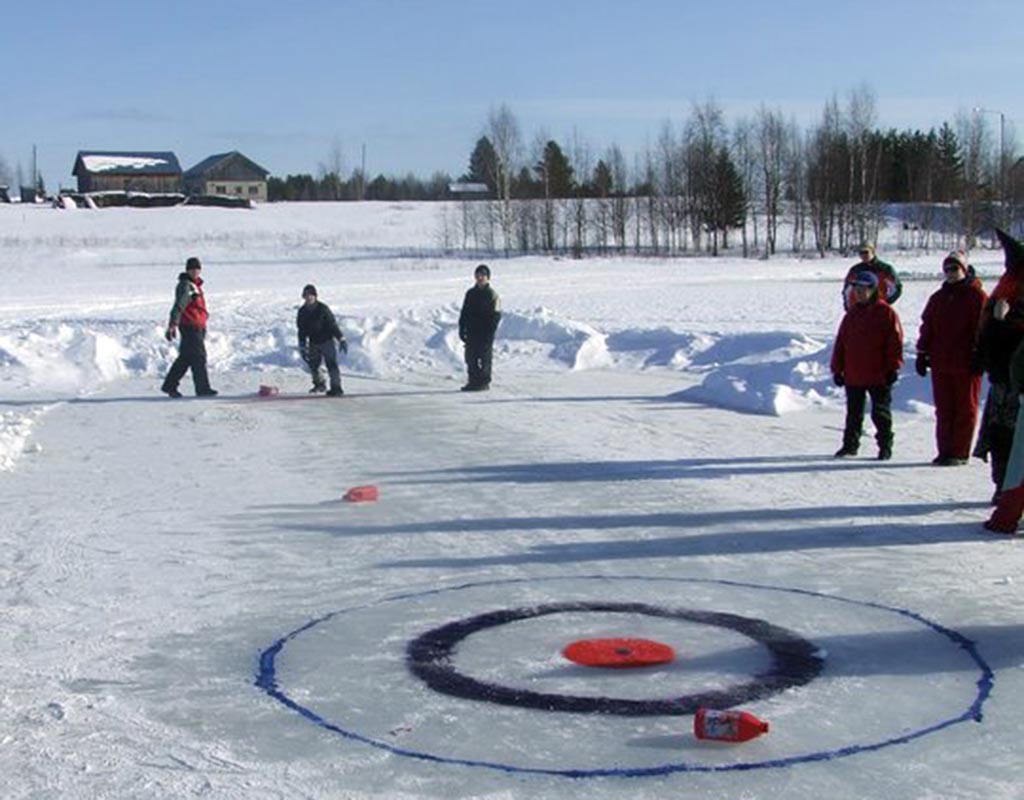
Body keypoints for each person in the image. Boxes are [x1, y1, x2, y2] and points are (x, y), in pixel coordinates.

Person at [915, 250, 987, 466]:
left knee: (966, 407)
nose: (950, 273)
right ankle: (944, 450)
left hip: (966, 362)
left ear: (964, 269)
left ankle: (959, 451)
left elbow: (983, 329)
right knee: (944, 408)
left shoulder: (977, 297)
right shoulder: (938, 298)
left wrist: (980, 355)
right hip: (941, 362)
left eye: (954, 268)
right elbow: (928, 326)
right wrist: (922, 352)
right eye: (946, 269)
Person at [830, 270, 904, 460]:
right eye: (857, 288)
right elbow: (841, 344)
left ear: (873, 290)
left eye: (864, 289)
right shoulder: (852, 314)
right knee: (853, 413)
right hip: (854, 373)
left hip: (878, 373)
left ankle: (885, 445)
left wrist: (893, 367)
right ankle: (850, 445)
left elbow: (895, 342)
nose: (860, 292)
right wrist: (837, 369)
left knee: (880, 413)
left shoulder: (885, 312)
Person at [973, 229, 1024, 502]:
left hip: (1017, 377)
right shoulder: (1007, 282)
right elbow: (989, 324)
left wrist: (1006, 319)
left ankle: (1011, 492)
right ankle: (1002, 487)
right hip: (1000, 372)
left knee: (1013, 438)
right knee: (1000, 434)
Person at [161, 256, 217, 398]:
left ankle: (170, 385)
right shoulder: (186, 285)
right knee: (199, 357)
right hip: (191, 327)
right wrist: (173, 324)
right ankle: (202, 388)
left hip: (197, 326)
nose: (195, 272)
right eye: (192, 269)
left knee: (186, 358)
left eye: (197, 269)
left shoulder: (195, 286)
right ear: (187, 270)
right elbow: (179, 305)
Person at [296, 284, 347, 397]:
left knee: (331, 365)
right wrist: (302, 344)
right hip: (313, 342)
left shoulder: (323, 309)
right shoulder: (302, 311)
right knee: (314, 365)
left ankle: (336, 388)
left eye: (311, 295)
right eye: (306, 295)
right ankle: (319, 384)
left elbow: (332, 325)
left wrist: (341, 338)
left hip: (327, 341)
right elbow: (301, 330)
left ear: (315, 296)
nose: (308, 298)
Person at [458, 264, 501, 391]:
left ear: (488, 278)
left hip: (485, 333)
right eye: (478, 275)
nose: (480, 277)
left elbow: (496, 316)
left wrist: (489, 333)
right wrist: (462, 328)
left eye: (483, 275)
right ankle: (473, 381)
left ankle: (483, 382)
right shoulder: (470, 293)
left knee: (484, 358)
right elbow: (464, 312)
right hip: (472, 331)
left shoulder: (492, 295)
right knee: (471, 358)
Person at [842, 243, 902, 310]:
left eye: (866, 252)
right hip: (859, 310)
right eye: (861, 253)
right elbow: (847, 291)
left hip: (879, 310)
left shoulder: (885, 269)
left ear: (872, 252)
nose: (863, 255)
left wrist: (885, 303)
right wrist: (849, 308)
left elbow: (897, 288)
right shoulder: (855, 270)